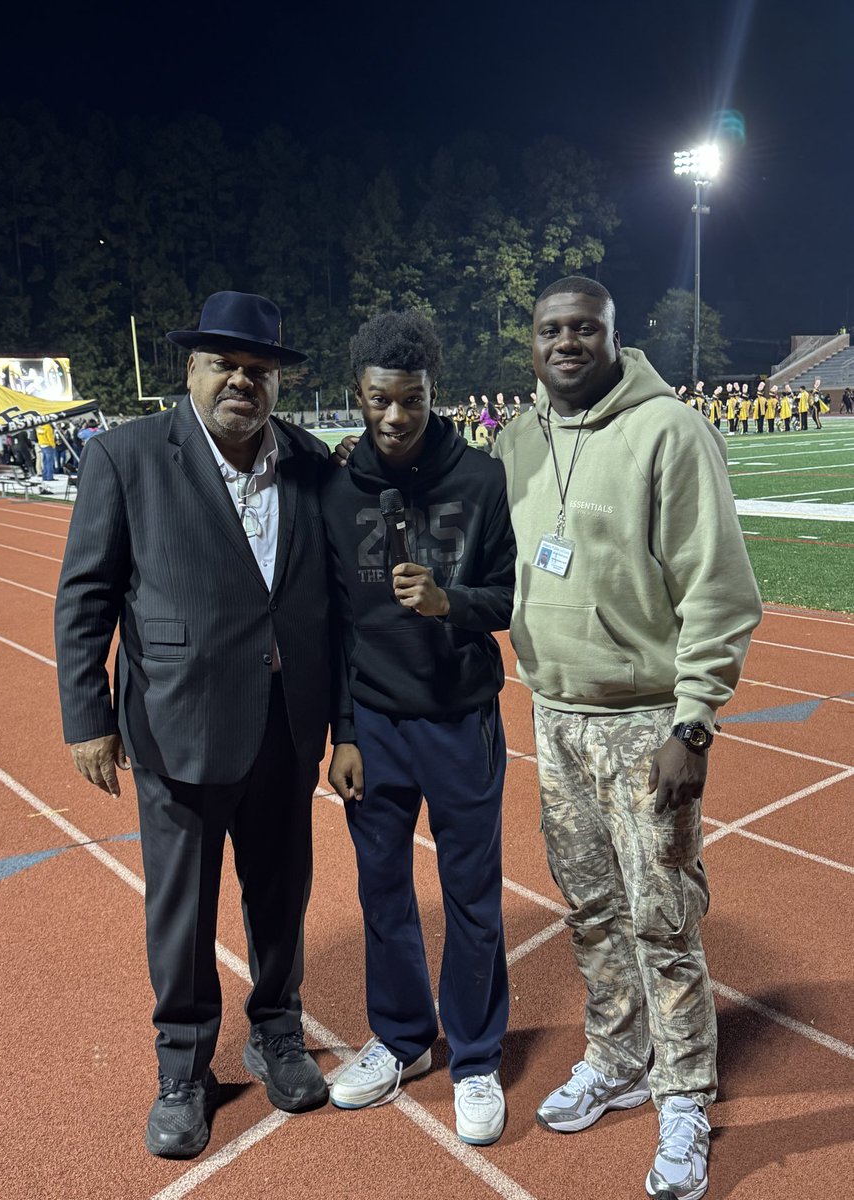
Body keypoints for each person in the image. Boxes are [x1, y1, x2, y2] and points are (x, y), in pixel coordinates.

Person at [492, 276, 762, 1200]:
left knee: (663, 916)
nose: (566, 343)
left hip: (648, 721)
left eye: (584, 329)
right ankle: (617, 1054)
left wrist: (694, 723)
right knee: (593, 910)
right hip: (555, 718)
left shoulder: (670, 431)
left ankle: (684, 1091)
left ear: (614, 337)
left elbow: (720, 590)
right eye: (549, 330)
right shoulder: (515, 440)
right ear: (529, 343)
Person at [54, 291, 332, 1159]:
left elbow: (335, 607)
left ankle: (276, 1031)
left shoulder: (315, 466)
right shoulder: (126, 456)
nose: (242, 381)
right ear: (190, 370)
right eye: (224, 365)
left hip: (286, 726)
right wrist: (87, 718)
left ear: (278, 381)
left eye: (259, 369)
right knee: (181, 910)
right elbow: (85, 597)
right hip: (176, 726)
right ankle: (182, 1067)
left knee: (280, 896)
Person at [323, 310, 514, 1146]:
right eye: (378, 401)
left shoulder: (481, 478)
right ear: (357, 396)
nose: (394, 417)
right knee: (382, 892)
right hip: (376, 726)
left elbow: (509, 597)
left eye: (411, 399)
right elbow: (331, 623)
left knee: (472, 896)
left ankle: (473, 1057)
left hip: (460, 717)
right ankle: (402, 1039)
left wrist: (452, 604)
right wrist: (345, 732)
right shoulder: (336, 487)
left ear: (434, 393)